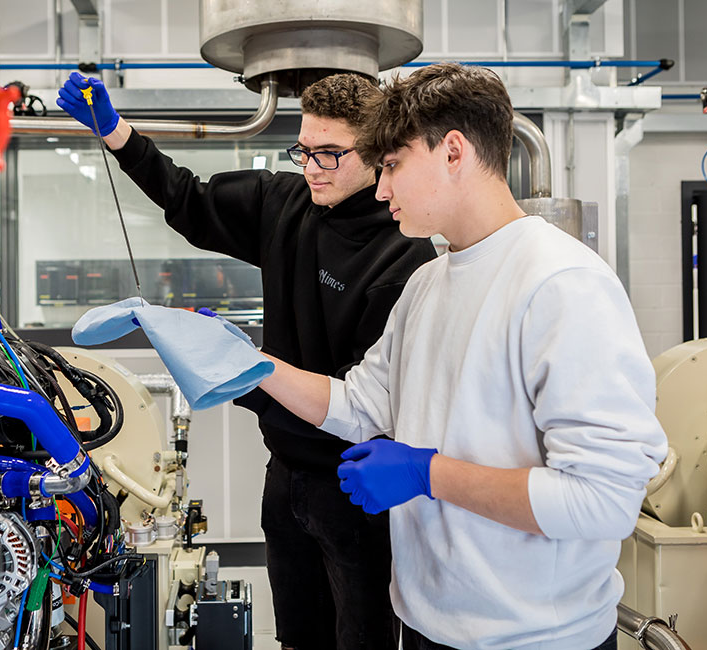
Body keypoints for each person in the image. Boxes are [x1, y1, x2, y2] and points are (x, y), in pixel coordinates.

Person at [253, 63, 669, 650]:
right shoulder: (428, 282)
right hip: (427, 624)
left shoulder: (561, 283)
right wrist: (254, 367)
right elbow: (362, 403)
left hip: (533, 639)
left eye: (392, 165)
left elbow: (602, 502)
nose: (381, 189)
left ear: (453, 151)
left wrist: (426, 474)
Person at [57, 71, 437, 650]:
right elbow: (187, 198)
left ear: (375, 154)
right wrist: (115, 133)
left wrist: (240, 368)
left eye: (329, 154)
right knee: (298, 638)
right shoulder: (286, 202)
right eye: (303, 150)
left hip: (356, 487)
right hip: (284, 476)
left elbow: (360, 401)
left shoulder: (402, 257)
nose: (311, 168)